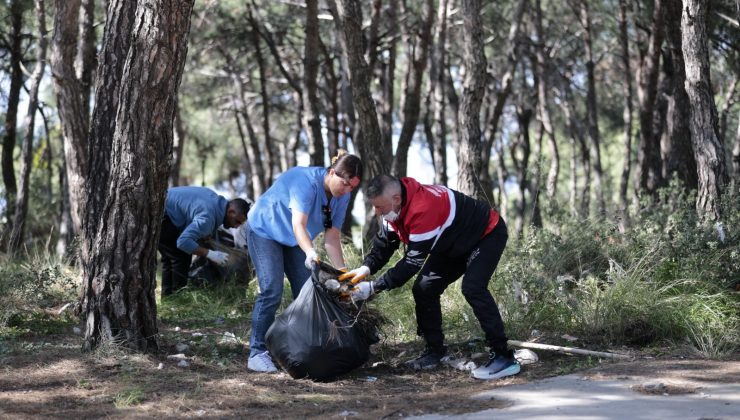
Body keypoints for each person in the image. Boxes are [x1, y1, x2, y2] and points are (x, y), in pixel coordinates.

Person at [340, 175, 520, 380]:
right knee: (424, 288)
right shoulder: (393, 209)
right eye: (374, 207)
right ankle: (435, 351)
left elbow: (411, 264)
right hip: (452, 244)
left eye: (380, 207)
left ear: (396, 199)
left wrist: (373, 288)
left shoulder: (423, 209)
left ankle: (504, 357)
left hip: (485, 234)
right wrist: (365, 269)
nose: (377, 212)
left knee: (473, 288)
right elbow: (384, 246)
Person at [245, 150, 363, 373]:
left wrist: (343, 275)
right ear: (331, 173)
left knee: (307, 292)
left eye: (352, 187)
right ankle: (257, 352)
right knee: (272, 289)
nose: (347, 190)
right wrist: (310, 252)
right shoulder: (306, 182)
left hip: (292, 239)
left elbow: (332, 236)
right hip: (265, 230)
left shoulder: (342, 196)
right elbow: (299, 225)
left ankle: (291, 345)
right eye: (345, 184)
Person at [158, 186, 250, 298]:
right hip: (162, 213)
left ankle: (168, 300)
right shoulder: (208, 218)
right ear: (231, 212)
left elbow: (192, 211)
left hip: (158, 204)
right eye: (237, 222)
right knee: (180, 258)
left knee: (170, 258)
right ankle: (177, 300)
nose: (236, 227)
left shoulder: (214, 200)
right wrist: (210, 254)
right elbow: (182, 242)